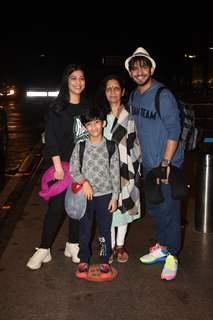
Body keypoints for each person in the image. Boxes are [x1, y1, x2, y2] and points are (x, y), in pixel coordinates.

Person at [125, 47, 184, 281]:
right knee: (157, 208)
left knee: (169, 210)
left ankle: (173, 256)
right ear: (130, 73)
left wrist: (166, 163)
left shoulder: (163, 95)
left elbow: (174, 130)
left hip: (166, 164)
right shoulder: (133, 96)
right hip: (148, 165)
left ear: (151, 68)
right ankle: (162, 248)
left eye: (144, 66)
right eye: (135, 68)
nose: (140, 71)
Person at [27, 64, 89, 270]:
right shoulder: (57, 109)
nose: (78, 82)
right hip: (60, 166)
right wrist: (58, 167)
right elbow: (51, 139)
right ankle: (44, 249)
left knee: (76, 207)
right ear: (66, 81)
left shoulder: (86, 109)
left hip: (80, 166)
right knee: (55, 208)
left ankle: (73, 244)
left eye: (81, 78)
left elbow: (84, 140)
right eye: (74, 78)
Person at [70, 106, 120, 280]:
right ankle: (83, 259)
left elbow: (115, 173)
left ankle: (104, 259)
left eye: (97, 123)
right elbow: (73, 170)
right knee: (84, 230)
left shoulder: (111, 147)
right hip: (86, 197)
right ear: (84, 127)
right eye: (89, 124)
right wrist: (84, 182)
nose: (93, 127)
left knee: (105, 231)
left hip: (105, 196)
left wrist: (115, 197)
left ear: (103, 123)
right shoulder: (80, 147)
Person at [97, 74, 141, 263]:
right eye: (109, 89)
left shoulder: (131, 116)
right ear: (105, 93)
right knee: (107, 209)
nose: (113, 92)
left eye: (117, 88)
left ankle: (120, 245)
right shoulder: (99, 116)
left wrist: (135, 168)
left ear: (123, 92)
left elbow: (137, 143)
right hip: (104, 170)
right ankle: (108, 244)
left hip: (126, 168)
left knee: (123, 208)